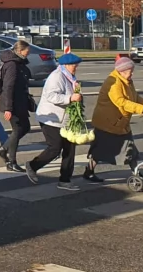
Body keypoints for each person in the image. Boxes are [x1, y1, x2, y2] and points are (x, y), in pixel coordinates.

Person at [83, 56, 143, 183]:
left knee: (130, 148)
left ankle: (136, 173)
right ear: (122, 71)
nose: (132, 73)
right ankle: (89, 172)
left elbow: (134, 97)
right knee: (100, 150)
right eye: (130, 70)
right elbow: (121, 102)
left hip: (120, 122)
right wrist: (141, 109)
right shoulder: (113, 83)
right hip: (108, 122)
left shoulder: (127, 80)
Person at [26, 53, 84, 190]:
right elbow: (51, 96)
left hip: (65, 120)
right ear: (65, 65)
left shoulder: (69, 76)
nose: (76, 67)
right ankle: (33, 165)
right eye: (74, 65)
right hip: (51, 119)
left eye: (76, 65)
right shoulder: (56, 77)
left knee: (70, 149)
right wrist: (70, 98)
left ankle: (65, 180)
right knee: (55, 148)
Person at [0, 39, 34, 172]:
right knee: (18, 129)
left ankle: (4, 148)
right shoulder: (12, 65)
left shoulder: (19, 62)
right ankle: (11, 161)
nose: (28, 54)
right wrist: (8, 108)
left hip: (20, 103)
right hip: (13, 104)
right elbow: (8, 87)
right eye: (26, 51)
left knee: (25, 127)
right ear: (19, 51)